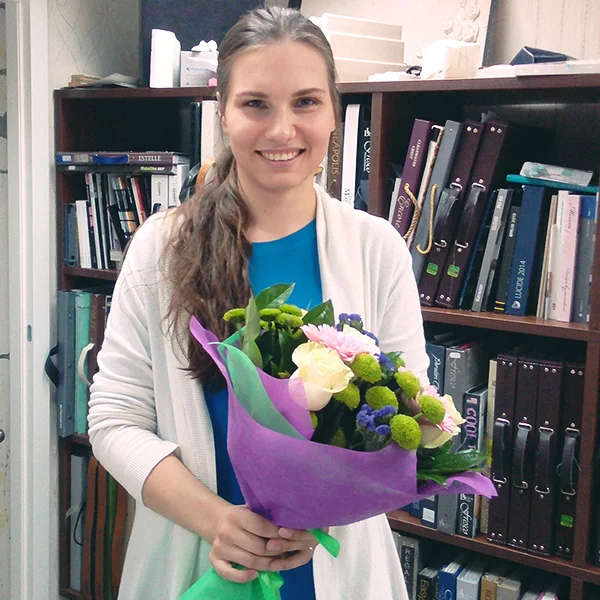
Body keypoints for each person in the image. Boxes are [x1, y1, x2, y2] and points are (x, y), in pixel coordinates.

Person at [89, 6, 430, 600]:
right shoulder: (161, 248)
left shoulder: (378, 250)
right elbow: (115, 420)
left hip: (337, 570)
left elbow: (412, 419)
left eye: (305, 102)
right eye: (256, 104)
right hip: (200, 565)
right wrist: (217, 522)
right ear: (222, 112)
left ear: (334, 112)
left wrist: (330, 507)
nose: (281, 130)